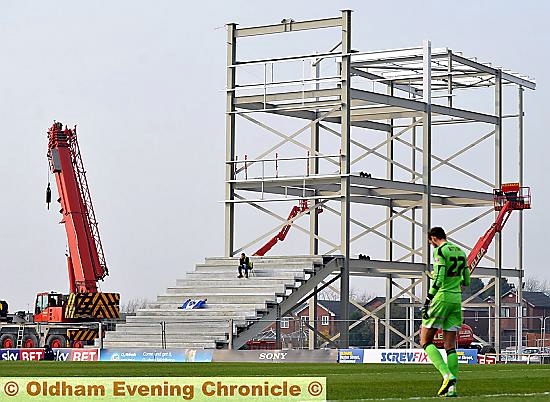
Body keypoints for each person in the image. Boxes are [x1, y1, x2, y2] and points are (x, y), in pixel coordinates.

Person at [421, 226, 470, 398]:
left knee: (425, 340)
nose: (431, 246)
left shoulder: (440, 251)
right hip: (456, 300)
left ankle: (446, 375)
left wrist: (428, 299)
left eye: (430, 242)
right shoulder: (461, 252)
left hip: (442, 298)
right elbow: (467, 280)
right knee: (450, 346)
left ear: (434, 238)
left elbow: (439, 279)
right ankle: (452, 388)